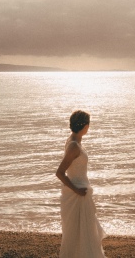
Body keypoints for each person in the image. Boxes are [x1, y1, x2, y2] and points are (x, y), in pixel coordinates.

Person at [56, 110, 106, 258]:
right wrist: (76, 190)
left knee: (86, 232)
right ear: (84, 126)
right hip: (76, 195)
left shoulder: (74, 140)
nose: (89, 127)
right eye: (88, 124)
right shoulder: (73, 146)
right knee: (77, 234)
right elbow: (59, 172)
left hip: (81, 192)